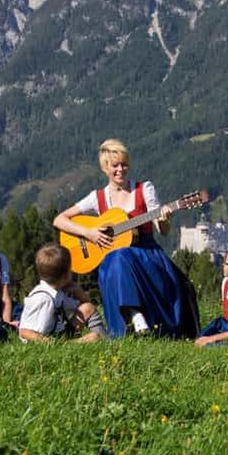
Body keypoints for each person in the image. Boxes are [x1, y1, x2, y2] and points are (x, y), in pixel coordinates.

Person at [53, 138, 199, 338]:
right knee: (118, 258)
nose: (120, 169)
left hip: (147, 254)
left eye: (124, 164)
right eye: (115, 165)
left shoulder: (144, 189)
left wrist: (164, 217)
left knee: (119, 258)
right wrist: (89, 233)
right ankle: (135, 318)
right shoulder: (98, 197)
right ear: (105, 168)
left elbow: (162, 229)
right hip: (115, 261)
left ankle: (136, 316)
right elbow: (59, 220)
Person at [18, 243, 106, 343]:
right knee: (93, 337)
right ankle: (77, 343)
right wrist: (52, 343)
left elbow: (84, 305)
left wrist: (80, 293)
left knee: (88, 308)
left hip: (57, 332)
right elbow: (25, 332)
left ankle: (105, 339)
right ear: (65, 276)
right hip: (45, 341)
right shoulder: (43, 299)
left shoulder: (57, 292)